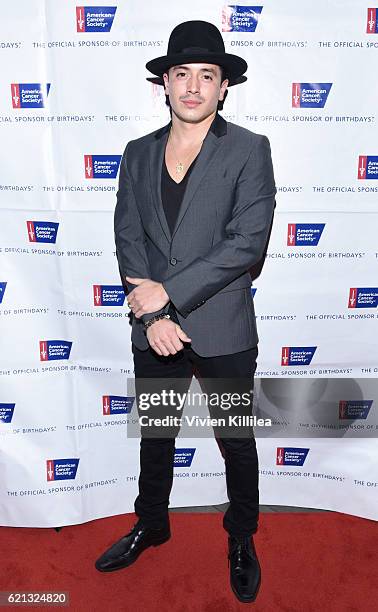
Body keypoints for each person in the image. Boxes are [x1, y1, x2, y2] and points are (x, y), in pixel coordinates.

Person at [95, 20, 276, 604]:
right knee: (156, 434)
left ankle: (242, 537)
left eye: (207, 75)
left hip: (222, 328)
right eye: (182, 74)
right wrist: (153, 318)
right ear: (164, 84)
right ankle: (152, 522)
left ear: (224, 86)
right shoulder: (137, 153)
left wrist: (168, 297)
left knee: (235, 440)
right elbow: (129, 239)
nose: (193, 86)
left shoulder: (249, 149)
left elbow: (247, 243)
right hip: (154, 329)